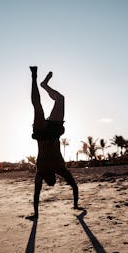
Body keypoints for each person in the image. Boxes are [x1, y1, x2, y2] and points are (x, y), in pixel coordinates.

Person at [30, 66, 79, 219]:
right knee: (55, 101)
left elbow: (74, 187)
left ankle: (35, 78)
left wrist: (36, 214)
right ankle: (41, 83)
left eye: (50, 180)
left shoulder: (47, 170)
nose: (51, 178)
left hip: (46, 132)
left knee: (39, 106)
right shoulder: (55, 169)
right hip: (50, 132)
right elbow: (74, 186)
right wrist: (75, 205)